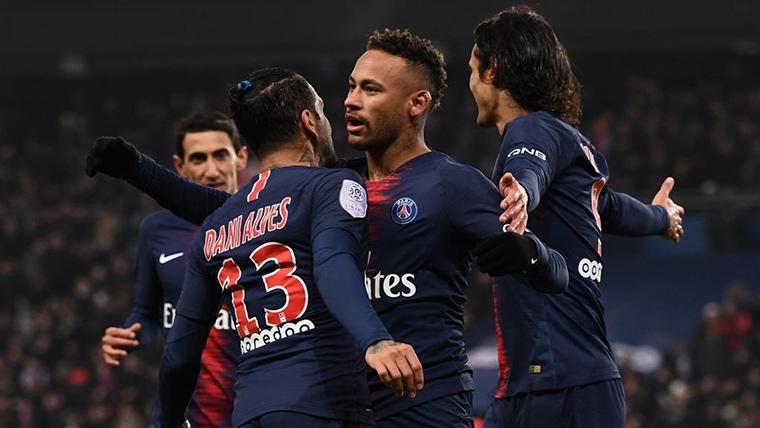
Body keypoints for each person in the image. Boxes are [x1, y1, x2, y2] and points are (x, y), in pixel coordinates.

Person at [85, 31, 569, 428]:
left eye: (371, 90)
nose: (351, 102)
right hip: (342, 405)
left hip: (424, 406)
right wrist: (137, 168)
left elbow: (557, 274)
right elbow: (225, 212)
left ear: (417, 103)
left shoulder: (452, 184)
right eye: (352, 87)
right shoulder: (333, 183)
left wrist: (530, 255)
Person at [467, 5, 685, 427]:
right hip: (583, 380)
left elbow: (529, 168)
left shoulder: (529, 129)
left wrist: (521, 193)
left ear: (492, 71)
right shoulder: (576, 145)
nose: (471, 83)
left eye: (472, 71)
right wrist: (661, 217)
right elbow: (613, 208)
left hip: (552, 385)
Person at [99, 111, 247, 428]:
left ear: (241, 158)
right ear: (180, 165)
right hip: (180, 416)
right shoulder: (155, 230)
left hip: (250, 410)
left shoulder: (265, 223)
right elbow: (147, 311)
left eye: (221, 155)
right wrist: (131, 333)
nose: (211, 170)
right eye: (198, 158)